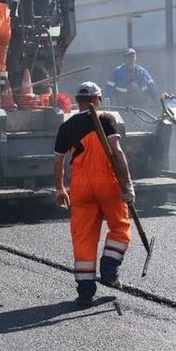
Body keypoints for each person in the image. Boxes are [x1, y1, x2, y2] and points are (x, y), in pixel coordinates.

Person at [53, 81, 135, 307]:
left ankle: (86, 292)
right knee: (119, 227)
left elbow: (59, 159)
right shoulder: (106, 119)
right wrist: (127, 185)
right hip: (107, 184)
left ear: (78, 101)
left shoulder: (66, 126)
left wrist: (60, 188)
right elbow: (117, 153)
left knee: (84, 239)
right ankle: (109, 269)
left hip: (80, 188)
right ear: (97, 100)